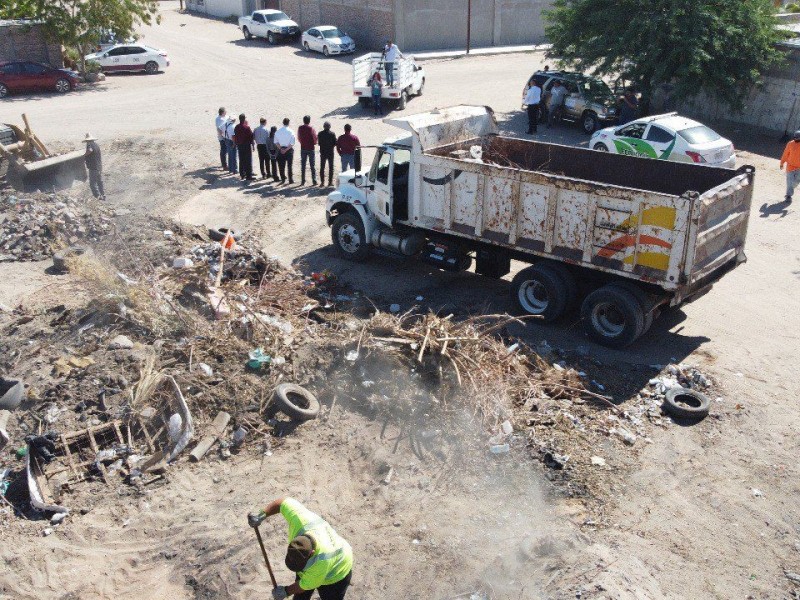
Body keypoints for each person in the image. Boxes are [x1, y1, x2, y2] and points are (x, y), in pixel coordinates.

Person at [248, 497, 353, 600]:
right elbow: (282, 503)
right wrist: (262, 514)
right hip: (315, 570)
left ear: (312, 553)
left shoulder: (321, 562)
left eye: (302, 566)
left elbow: (303, 585)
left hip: (336, 574)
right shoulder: (300, 521)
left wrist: (285, 591)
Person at [780, 129, 800, 203]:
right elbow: (785, 154)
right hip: (790, 166)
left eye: (797, 138)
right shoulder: (790, 144)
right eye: (795, 137)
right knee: (790, 181)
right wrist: (782, 163)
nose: (795, 139)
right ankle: (788, 196)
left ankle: (791, 189)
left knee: (797, 181)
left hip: (799, 167)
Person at [83, 134, 105, 200]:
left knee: (92, 183)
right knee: (99, 182)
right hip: (99, 166)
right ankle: (103, 195)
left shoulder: (89, 145)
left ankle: (98, 197)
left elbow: (90, 150)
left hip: (93, 167)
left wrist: (83, 156)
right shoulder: (96, 145)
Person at [297, 115, 318, 186]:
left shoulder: (300, 128)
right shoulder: (311, 128)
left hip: (303, 148)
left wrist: (302, 142)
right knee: (312, 165)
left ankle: (303, 180)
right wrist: (314, 143)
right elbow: (315, 138)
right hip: (311, 148)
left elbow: (299, 137)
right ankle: (314, 180)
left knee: (303, 165)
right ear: (309, 121)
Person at [275, 118, 296, 184]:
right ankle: (290, 179)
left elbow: (276, 142)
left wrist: (281, 149)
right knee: (289, 165)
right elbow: (292, 143)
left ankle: (283, 178)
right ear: (288, 123)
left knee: (281, 165)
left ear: (283, 122)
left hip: (281, 149)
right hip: (289, 150)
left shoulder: (278, 131)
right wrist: (286, 149)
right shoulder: (291, 131)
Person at [234, 113, 255, 181]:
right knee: (248, 161)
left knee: (241, 160)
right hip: (246, 146)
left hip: (239, 146)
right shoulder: (246, 127)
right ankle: (248, 176)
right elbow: (251, 137)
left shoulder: (236, 127)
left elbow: (235, 135)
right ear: (244, 119)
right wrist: (253, 145)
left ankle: (242, 174)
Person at [318, 121, 337, 187]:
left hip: (323, 152)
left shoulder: (320, 134)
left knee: (322, 167)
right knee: (331, 167)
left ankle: (322, 182)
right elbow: (335, 143)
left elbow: (319, 143)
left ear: (324, 126)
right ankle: (330, 182)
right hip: (330, 152)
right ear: (329, 127)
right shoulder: (332, 134)